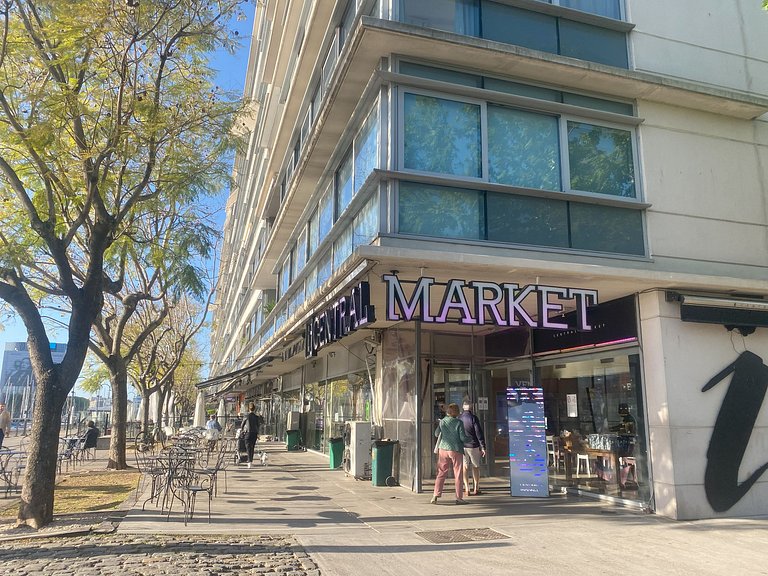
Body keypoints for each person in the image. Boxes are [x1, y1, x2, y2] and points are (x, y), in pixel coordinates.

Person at [431, 402, 468, 505]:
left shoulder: (442, 421)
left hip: (443, 449)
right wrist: (470, 438)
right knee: (458, 474)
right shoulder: (458, 423)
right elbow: (463, 438)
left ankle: (435, 495)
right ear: (456, 412)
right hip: (455, 449)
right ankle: (459, 498)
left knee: (441, 472)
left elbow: (436, 433)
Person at [459, 401, 486, 496]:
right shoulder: (473, 418)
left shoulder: (459, 418)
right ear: (472, 408)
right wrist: (482, 446)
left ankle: (467, 488)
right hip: (473, 445)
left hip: (462, 446)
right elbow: (478, 433)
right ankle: (476, 487)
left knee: (465, 467)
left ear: (463, 407)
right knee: (476, 466)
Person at [242, 402, 262, 468]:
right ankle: (250, 462)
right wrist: (258, 433)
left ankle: (249, 461)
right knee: (252, 447)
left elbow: (242, 424)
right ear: (254, 409)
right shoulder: (256, 417)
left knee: (247, 447)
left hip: (248, 432)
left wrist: (242, 430)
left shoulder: (246, 416)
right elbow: (258, 425)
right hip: (254, 433)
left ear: (248, 408)